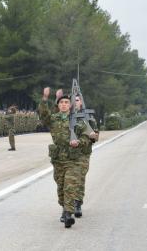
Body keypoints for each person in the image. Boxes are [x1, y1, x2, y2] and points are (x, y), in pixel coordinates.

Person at [38, 87, 90, 228]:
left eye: (67, 102)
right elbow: (43, 115)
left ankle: (68, 214)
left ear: (70, 105)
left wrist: (78, 142)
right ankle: (64, 207)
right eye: (61, 103)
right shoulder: (53, 119)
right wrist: (45, 98)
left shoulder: (78, 119)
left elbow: (86, 137)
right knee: (61, 187)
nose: (64, 104)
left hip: (74, 160)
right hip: (58, 159)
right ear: (58, 105)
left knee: (69, 186)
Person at [74, 94, 99, 217]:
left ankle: (77, 203)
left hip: (83, 154)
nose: (75, 102)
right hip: (67, 154)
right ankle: (68, 204)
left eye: (77, 100)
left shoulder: (88, 118)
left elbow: (96, 136)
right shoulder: (66, 117)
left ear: (81, 103)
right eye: (73, 100)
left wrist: (93, 136)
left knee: (79, 178)